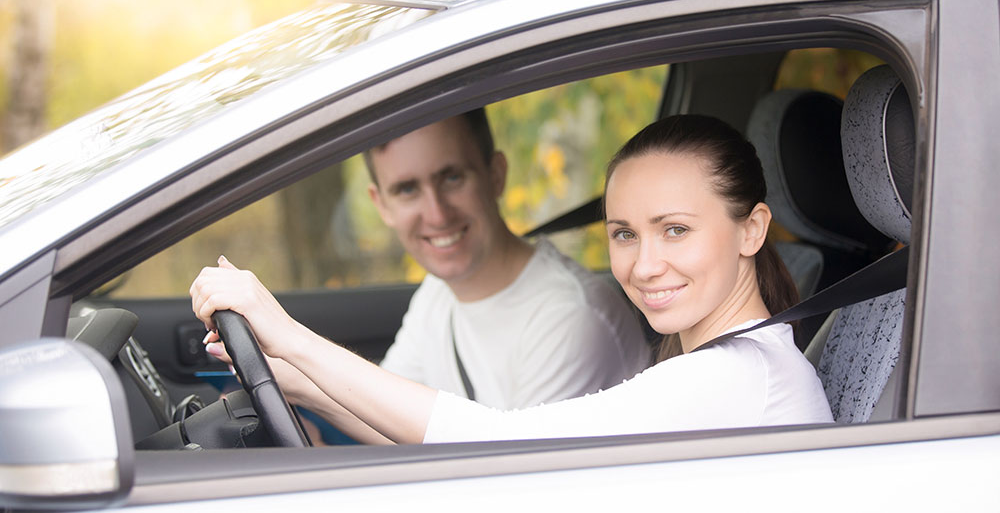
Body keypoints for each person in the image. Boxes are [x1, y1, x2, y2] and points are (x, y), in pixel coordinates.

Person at [191, 114, 833, 445]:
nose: (642, 265)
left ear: (752, 230)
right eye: (624, 233)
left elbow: (500, 446)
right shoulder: (730, 366)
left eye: (675, 230)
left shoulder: (734, 378)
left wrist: (290, 336)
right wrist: (294, 382)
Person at [363, 110, 650, 411]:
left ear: (496, 175)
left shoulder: (569, 317)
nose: (437, 214)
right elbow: (379, 413)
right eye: (407, 189)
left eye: (452, 178)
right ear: (382, 205)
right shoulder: (436, 293)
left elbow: (518, 458)